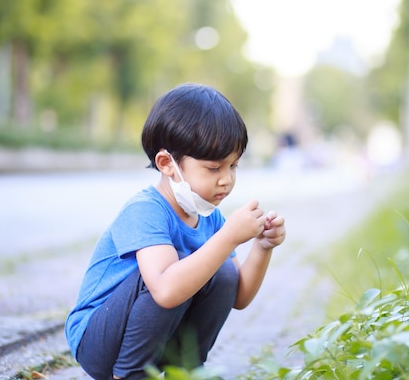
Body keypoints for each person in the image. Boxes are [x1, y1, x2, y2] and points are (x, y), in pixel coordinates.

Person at [65, 83, 286, 380]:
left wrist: (262, 247)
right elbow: (166, 291)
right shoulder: (145, 209)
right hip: (100, 343)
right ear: (167, 164)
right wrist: (229, 236)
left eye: (233, 166)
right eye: (213, 168)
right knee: (170, 273)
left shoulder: (210, 217)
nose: (227, 180)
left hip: (154, 340)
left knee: (221, 271)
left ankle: (183, 370)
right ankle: (130, 375)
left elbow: (239, 295)